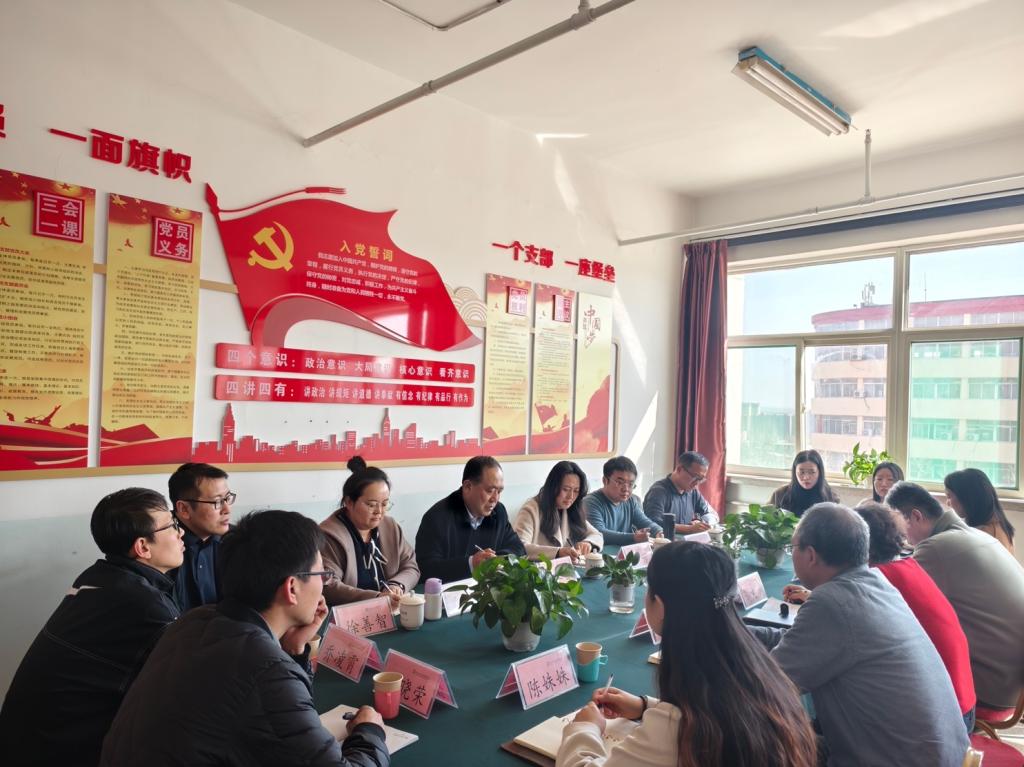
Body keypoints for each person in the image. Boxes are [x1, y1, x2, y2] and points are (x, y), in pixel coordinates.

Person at [100, 510, 389, 767]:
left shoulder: (194, 621)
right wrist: (369, 732)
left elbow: (281, 722)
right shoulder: (265, 668)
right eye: (320, 574)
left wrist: (293, 648)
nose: (323, 584)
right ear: (292, 588)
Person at [558, 542, 817, 767]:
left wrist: (585, 728)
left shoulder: (676, 731)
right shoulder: (762, 672)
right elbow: (711, 711)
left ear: (660, 606)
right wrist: (646, 707)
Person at [749, 503, 969, 767]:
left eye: (792, 547)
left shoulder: (832, 602)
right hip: (944, 754)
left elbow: (771, 684)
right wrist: (741, 632)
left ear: (811, 555)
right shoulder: (876, 584)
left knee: (757, 741)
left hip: (899, 760)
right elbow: (798, 642)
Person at [0, 488, 183, 767]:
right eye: (172, 525)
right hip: (58, 750)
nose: (181, 533)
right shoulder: (145, 605)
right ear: (143, 547)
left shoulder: (98, 577)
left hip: (21, 739)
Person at [788, 501, 976, 730]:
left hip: (942, 717)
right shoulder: (900, 569)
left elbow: (782, 675)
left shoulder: (867, 585)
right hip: (953, 710)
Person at [886, 481, 1024, 710]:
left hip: (991, 688)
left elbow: (890, 604)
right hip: (1013, 683)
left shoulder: (936, 548)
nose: (902, 539)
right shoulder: (979, 535)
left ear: (916, 517)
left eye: (900, 529)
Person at [319, 457, 419, 608]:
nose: (379, 511)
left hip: (390, 609)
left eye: (384, 504)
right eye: (371, 505)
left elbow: (411, 566)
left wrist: (396, 585)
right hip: (350, 613)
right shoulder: (329, 535)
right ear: (349, 502)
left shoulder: (390, 527)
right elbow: (328, 586)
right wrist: (377, 598)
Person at [414, 456, 525, 582]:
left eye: (499, 491)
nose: (495, 499)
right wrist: (471, 564)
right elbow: (425, 570)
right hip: (450, 592)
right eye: (490, 490)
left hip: (488, 589)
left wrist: (495, 559)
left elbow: (519, 548)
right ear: (467, 487)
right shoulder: (437, 518)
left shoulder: (498, 512)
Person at [168, 461, 235, 611]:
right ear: (184, 509)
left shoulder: (237, 541)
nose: (227, 509)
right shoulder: (160, 546)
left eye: (227, 498)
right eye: (217, 501)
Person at [513, 461, 603, 561]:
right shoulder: (531, 509)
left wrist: (588, 543)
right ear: (553, 487)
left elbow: (597, 535)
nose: (571, 496)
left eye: (576, 491)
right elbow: (519, 547)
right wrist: (557, 552)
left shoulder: (571, 509)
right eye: (566, 489)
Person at [583, 456, 662, 545]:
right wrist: (633, 537)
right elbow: (598, 534)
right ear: (605, 481)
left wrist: (659, 532)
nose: (626, 489)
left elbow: (645, 522)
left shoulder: (631, 501)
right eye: (619, 482)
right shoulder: (590, 502)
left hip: (625, 552)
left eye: (630, 484)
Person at [642, 451, 719, 535]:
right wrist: (689, 529)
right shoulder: (658, 491)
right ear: (679, 469)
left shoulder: (693, 492)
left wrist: (703, 523)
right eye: (695, 477)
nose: (697, 483)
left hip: (686, 540)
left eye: (701, 479)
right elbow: (653, 523)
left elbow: (712, 514)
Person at [943, 468, 1015, 553]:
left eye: (949, 496)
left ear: (967, 498)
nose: (947, 503)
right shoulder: (1001, 526)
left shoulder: (982, 534)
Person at [768, 450, 838, 517]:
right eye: (801, 472)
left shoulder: (830, 497)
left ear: (820, 472)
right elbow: (767, 519)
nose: (806, 477)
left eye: (812, 472)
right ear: (795, 472)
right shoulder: (780, 494)